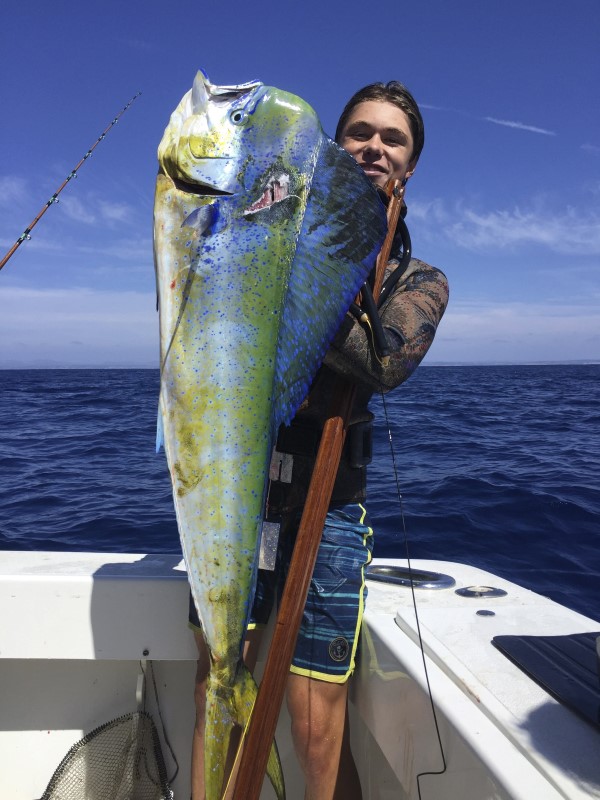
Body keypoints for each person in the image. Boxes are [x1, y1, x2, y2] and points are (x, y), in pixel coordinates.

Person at [190, 80, 449, 800]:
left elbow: (384, 360)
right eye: (359, 133)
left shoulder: (419, 277)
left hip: (330, 508)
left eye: (391, 138)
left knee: (311, 722)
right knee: (215, 685)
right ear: (334, 148)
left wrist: (300, 264)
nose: (373, 145)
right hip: (240, 498)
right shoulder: (271, 229)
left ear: (410, 164)